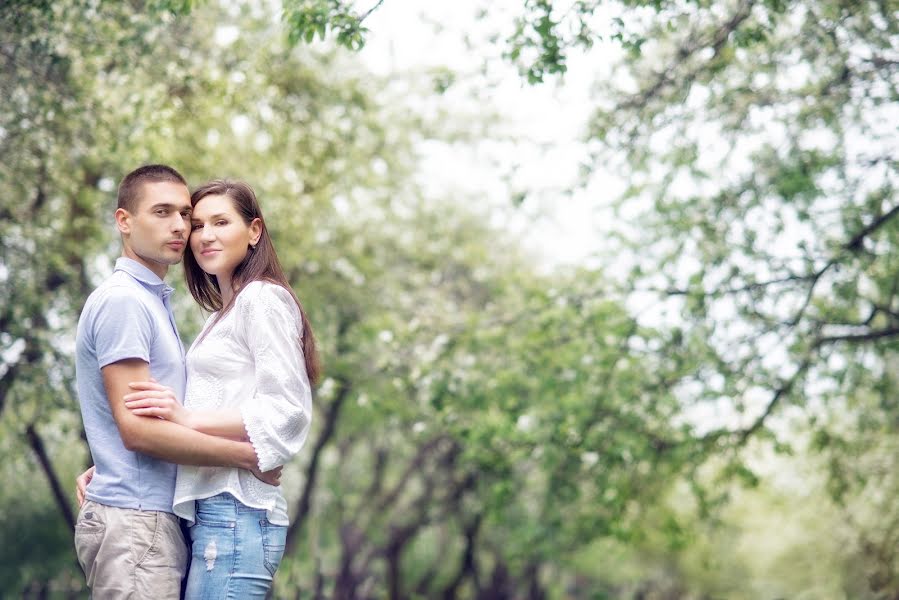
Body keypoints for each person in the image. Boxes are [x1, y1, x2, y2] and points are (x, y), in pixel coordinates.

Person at [74, 165, 282, 599]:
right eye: (162, 212)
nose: (179, 227)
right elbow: (138, 429)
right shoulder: (125, 302)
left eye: (184, 214)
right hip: (137, 523)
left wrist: (107, 461)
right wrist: (246, 456)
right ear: (124, 221)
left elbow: (132, 424)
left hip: (148, 519)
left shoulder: (149, 300)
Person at [118, 179, 319, 599]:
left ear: (254, 231)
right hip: (216, 514)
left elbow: (288, 409)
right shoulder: (223, 314)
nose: (205, 235)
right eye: (198, 224)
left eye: (221, 222)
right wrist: (112, 465)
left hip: (238, 513)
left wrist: (187, 417)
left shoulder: (261, 299)